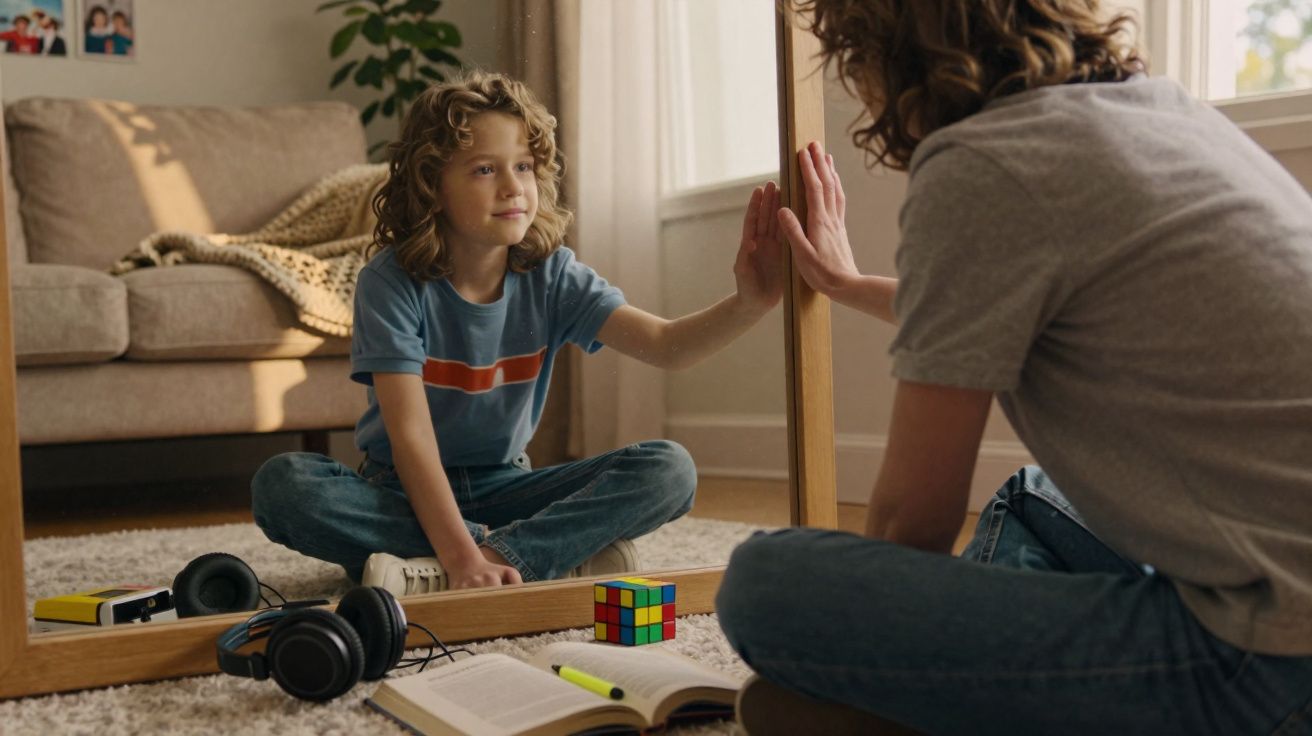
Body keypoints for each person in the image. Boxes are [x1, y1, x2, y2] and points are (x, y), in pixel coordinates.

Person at [716, 1, 1312, 734]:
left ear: (881, 51)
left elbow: (913, 524)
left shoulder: (984, 163)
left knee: (764, 582)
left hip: (1274, 657)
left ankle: (943, 711)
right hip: (1279, 588)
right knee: (1033, 498)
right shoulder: (1163, 113)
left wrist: (868, 642)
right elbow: (1016, 307)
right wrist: (848, 284)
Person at [251, 71, 784, 595]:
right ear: (432, 186)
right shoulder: (389, 282)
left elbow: (668, 347)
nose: (512, 187)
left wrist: (750, 302)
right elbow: (411, 436)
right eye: (485, 169)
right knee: (285, 487)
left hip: (509, 486)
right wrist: (462, 554)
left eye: (523, 166)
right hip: (400, 490)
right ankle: (532, 554)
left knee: (669, 471)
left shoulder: (553, 275)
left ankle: (458, 563)